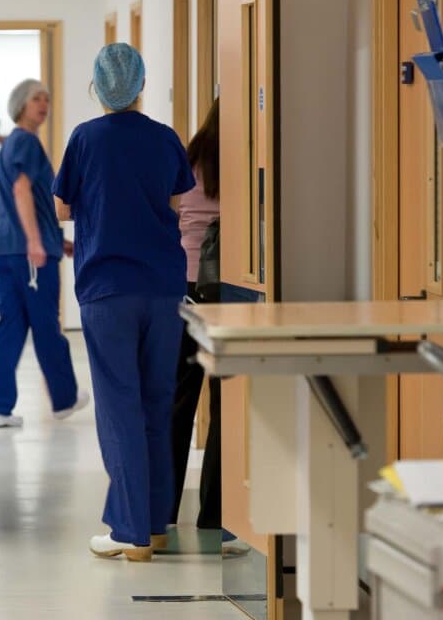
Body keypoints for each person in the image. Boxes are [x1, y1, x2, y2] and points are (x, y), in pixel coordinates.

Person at [53, 44, 194, 562]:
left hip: (107, 287)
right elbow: (176, 203)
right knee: (157, 403)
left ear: (97, 86)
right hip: (162, 288)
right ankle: (155, 523)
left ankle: (130, 532)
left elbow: (64, 206)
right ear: (141, 84)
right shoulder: (165, 139)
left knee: (118, 407)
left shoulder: (86, 138)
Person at [165, 101, 248, 556]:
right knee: (223, 402)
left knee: (177, 403)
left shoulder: (187, 157)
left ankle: (161, 510)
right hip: (225, 288)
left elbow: (173, 214)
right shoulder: (240, 161)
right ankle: (215, 513)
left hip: (183, 286)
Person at [0, 79, 89, 428]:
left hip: (7, 250)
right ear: (20, 104)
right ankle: (64, 399)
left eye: (46, 99)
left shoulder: (12, 144)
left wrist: (55, 241)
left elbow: (27, 203)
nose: (43, 105)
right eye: (35, 99)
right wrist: (35, 241)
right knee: (46, 324)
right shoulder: (26, 142)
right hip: (28, 253)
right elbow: (21, 191)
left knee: (11, 326)